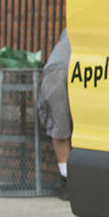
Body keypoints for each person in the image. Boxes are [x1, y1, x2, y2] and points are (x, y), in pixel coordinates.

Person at [37, 31, 73, 197]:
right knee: (63, 128)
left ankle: (68, 181)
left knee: (60, 129)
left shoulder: (72, 25)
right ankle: (69, 182)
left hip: (57, 72)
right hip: (75, 70)